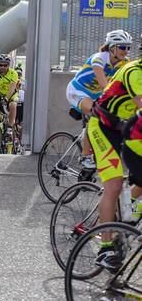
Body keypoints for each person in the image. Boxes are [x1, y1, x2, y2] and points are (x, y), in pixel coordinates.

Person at [87, 57, 142, 269]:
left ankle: (127, 218)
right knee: (114, 184)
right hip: (104, 127)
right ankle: (106, 247)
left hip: (129, 130)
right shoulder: (134, 71)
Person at [66, 29, 131, 169]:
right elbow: (105, 86)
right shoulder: (99, 58)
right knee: (96, 114)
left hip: (96, 95)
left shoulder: (124, 63)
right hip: (77, 91)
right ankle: (84, 155)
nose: (126, 51)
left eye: (128, 47)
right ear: (112, 47)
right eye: (122, 47)